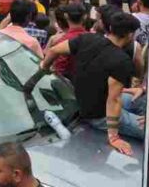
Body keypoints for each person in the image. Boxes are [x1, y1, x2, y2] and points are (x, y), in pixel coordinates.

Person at [42, 12, 143, 152]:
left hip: (88, 102)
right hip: (99, 115)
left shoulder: (87, 38)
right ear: (130, 35)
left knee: (142, 100)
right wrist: (113, 137)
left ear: (111, 28)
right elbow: (113, 100)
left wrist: (44, 68)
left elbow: (53, 50)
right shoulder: (122, 61)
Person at [45, 2, 87, 79]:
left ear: (66, 16)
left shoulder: (61, 41)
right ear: (85, 17)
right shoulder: (94, 38)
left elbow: (59, 69)